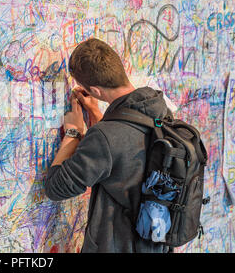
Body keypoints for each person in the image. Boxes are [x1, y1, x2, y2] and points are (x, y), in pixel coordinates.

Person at [43, 38, 172, 253]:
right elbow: (125, 152)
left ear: (95, 91)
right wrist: (98, 116)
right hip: (156, 243)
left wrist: (74, 133)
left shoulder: (106, 137)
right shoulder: (161, 112)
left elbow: (55, 188)